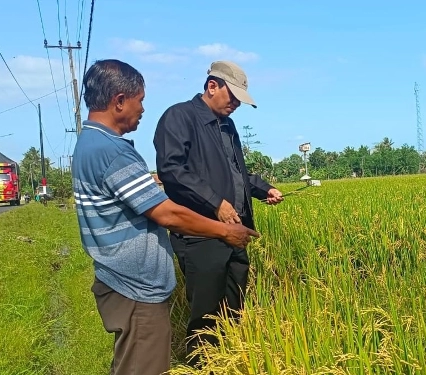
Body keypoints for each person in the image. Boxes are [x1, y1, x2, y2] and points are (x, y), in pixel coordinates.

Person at [71, 59, 260, 375]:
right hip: (134, 288)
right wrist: (223, 230)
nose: (143, 109)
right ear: (119, 101)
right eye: (140, 100)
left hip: (124, 282)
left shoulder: (92, 143)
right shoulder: (111, 150)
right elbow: (167, 213)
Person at [153, 60, 284, 367]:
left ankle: (229, 364)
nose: (236, 103)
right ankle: (200, 367)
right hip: (202, 236)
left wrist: (264, 190)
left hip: (236, 234)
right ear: (213, 86)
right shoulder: (179, 117)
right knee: (206, 316)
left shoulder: (227, 125)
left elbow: (237, 174)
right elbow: (171, 170)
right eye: (233, 96)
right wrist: (215, 202)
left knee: (233, 310)